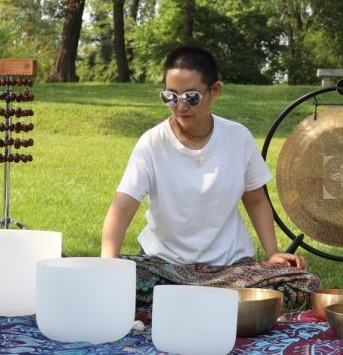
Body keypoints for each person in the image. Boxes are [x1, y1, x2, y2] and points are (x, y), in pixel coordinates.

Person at [100, 45, 320, 310]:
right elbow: (123, 206)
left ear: (214, 90)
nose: (180, 106)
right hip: (165, 268)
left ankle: (186, 303)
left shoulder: (238, 137)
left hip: (230, 269)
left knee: (304, 284)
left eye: (191, 97)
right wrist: (108, 267)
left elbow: (257, 201)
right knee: (121, 277)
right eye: (170, 96)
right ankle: (215, 304)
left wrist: (272, 253)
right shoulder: (152, 142)